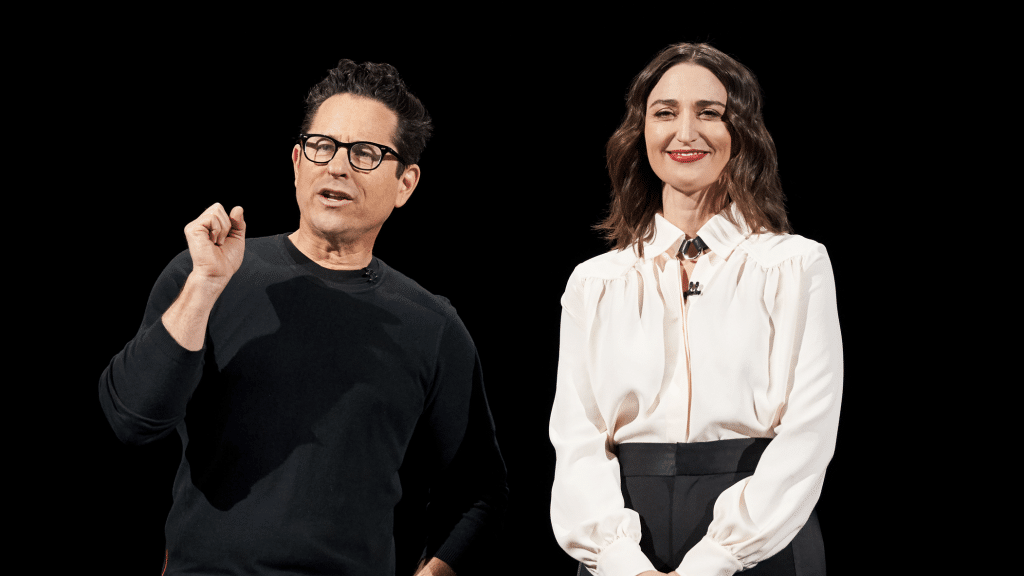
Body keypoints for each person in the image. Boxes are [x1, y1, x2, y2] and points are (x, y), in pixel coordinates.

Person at [99, 59, 507, 576]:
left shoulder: (432, 325)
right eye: (323, 146)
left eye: (365, 154)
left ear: (405, 183)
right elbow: (132, 419)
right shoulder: (210, 273)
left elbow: (479, 493)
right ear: (297, 162)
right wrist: (203, 286)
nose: (337, 167)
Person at [549, 43, 842, 576]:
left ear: (743, 132)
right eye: (665, 113)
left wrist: (716, 558)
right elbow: (576, 438)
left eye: (709, 112)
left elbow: (810, 431)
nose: (686, 133)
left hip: (764, 537)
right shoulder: (596, 281)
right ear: (642, 133)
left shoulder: (796, 265)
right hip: (625, 539)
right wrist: (619, 562)